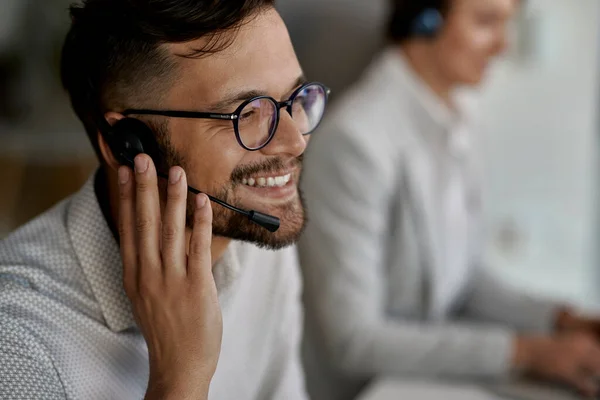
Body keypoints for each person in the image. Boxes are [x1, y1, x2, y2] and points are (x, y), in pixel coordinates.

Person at [0, 0, 330, 399]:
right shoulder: (18, 339)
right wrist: (180, 379)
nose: (295, 140)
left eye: (295, 97)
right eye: (246, 113)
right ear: (127, 144)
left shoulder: (259, 236)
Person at [298, 1, 600, 399]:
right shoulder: (355, 144)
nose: (503, 46)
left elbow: (462, 280)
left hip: (427, 378)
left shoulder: (459, 118)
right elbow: (352, 340)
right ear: (423, 20)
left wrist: (562, 322)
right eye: (486, 22)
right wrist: (525, 352)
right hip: (366, 389)